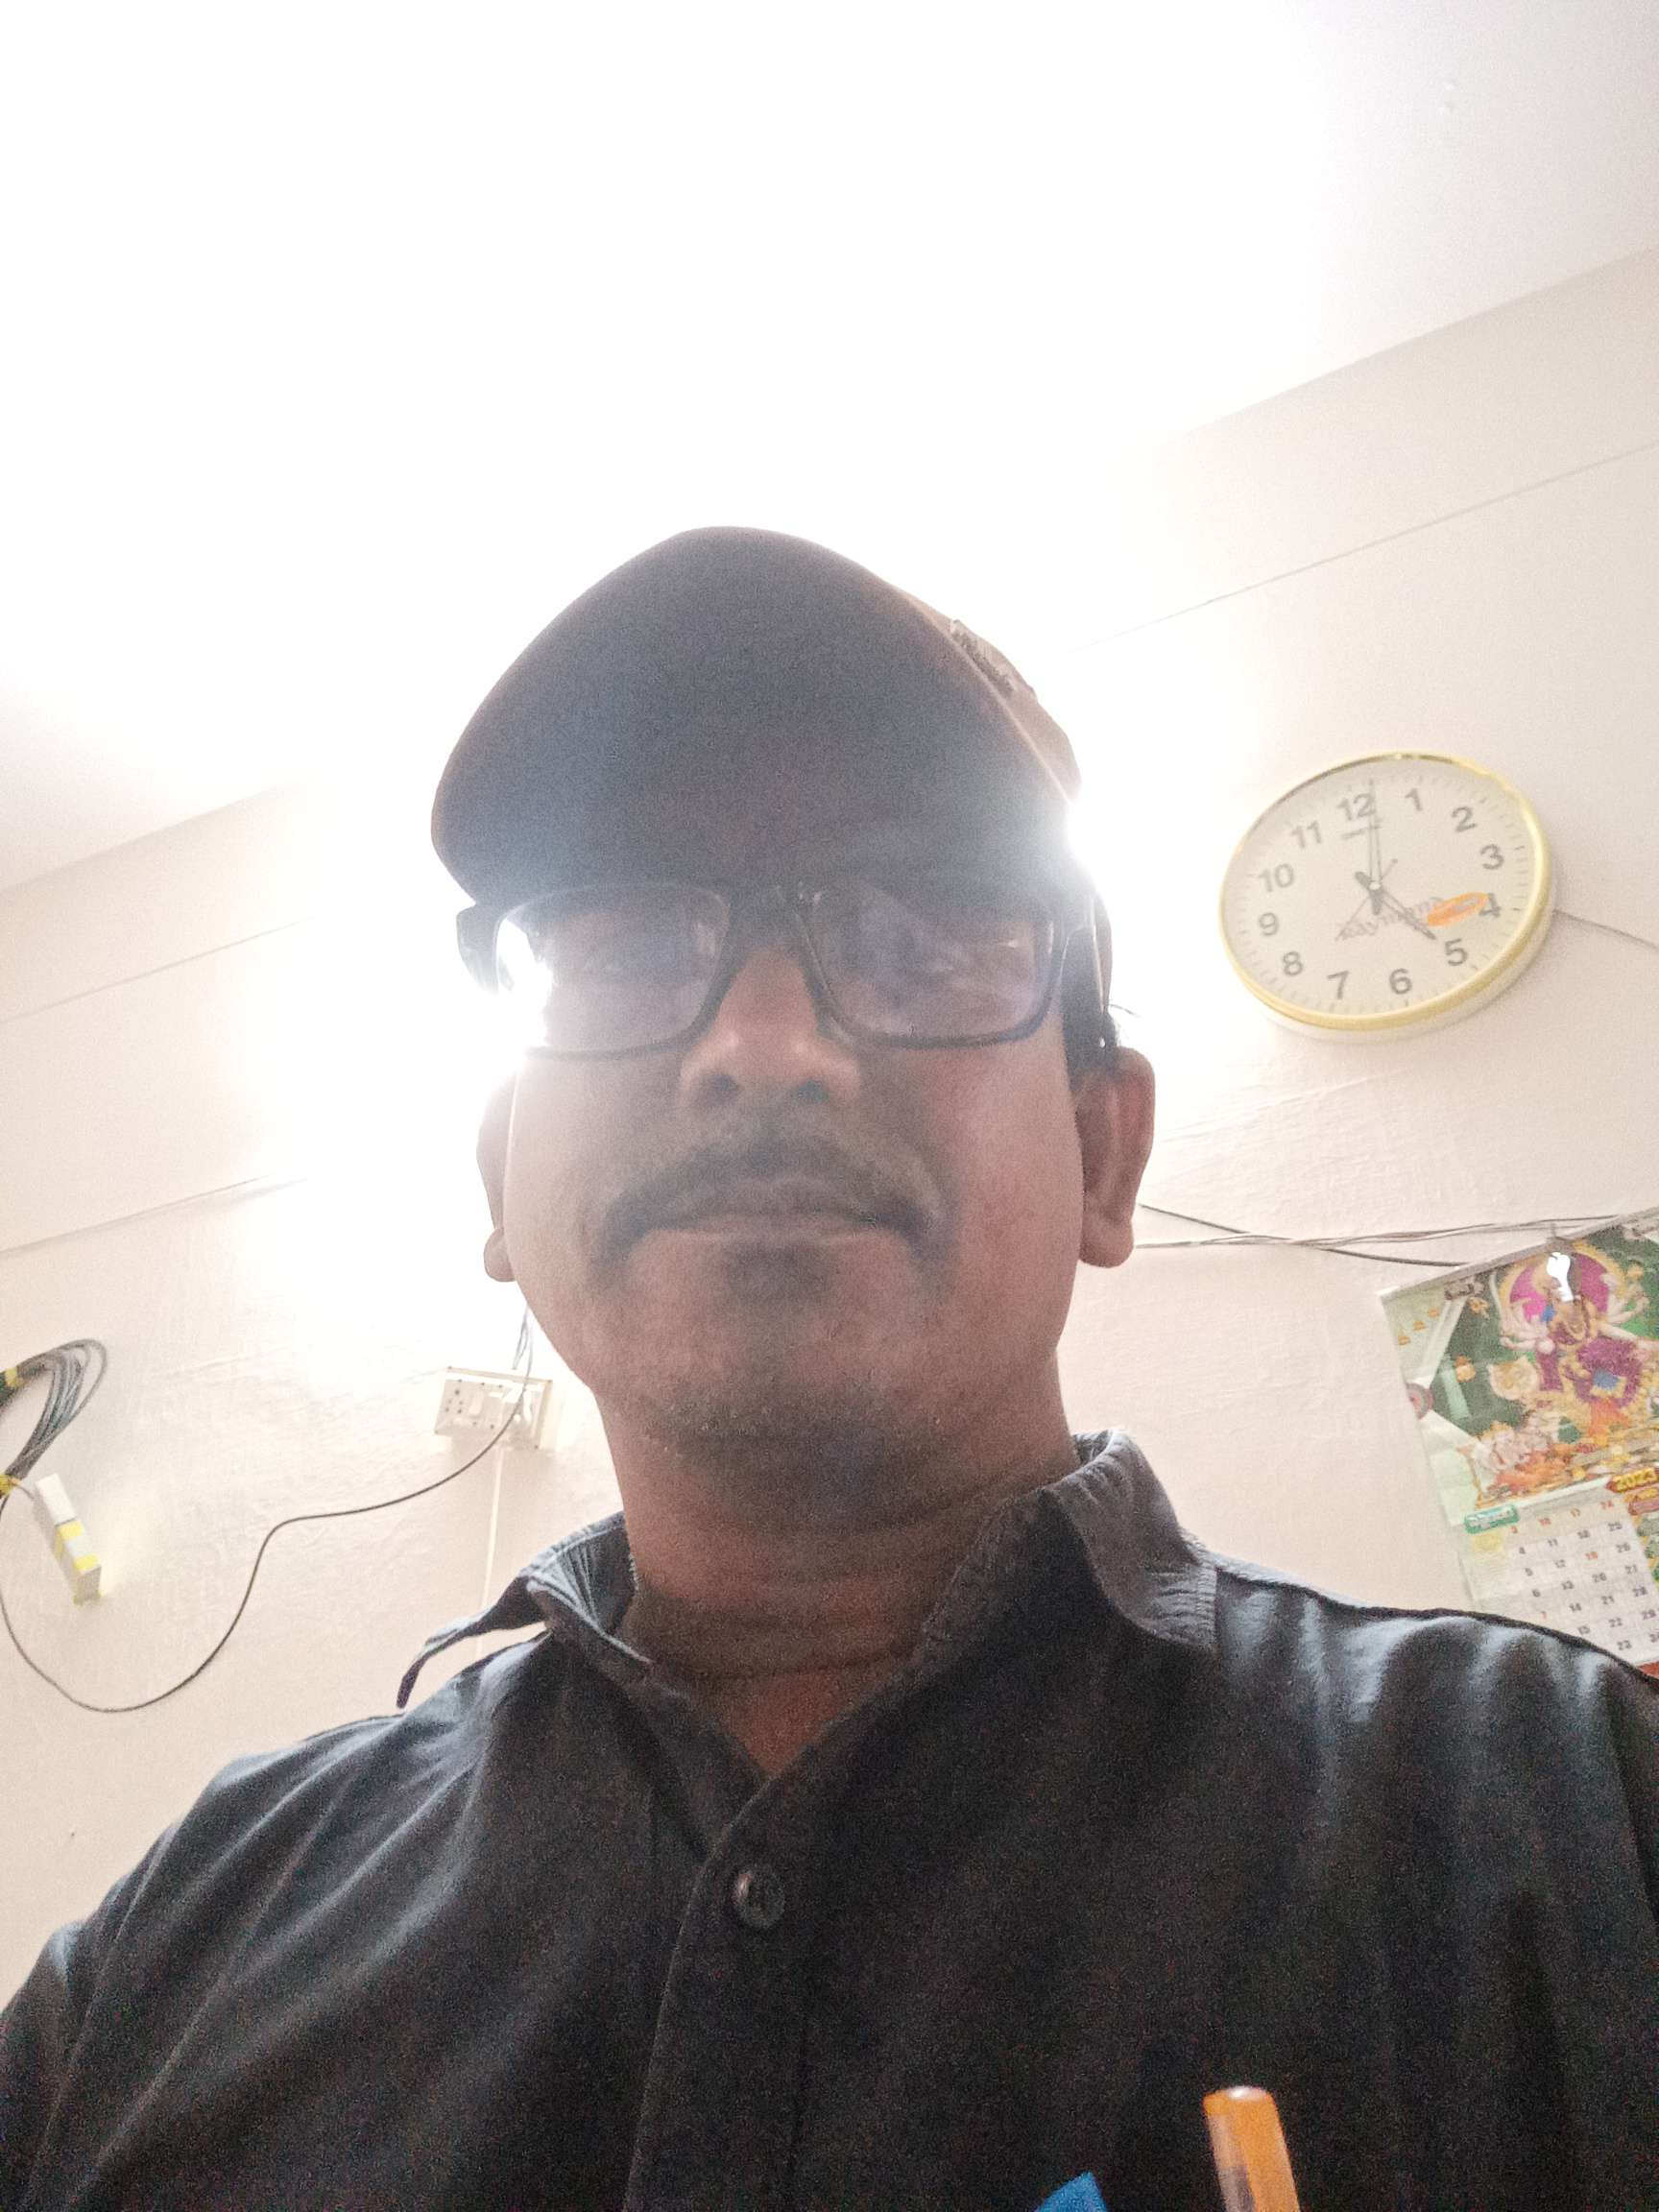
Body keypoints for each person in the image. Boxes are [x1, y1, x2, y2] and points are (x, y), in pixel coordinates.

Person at [3, 527, 1655, 2212]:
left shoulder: (1571, 1817)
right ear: (501, 1179)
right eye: (624, 938)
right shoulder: (181, 1946)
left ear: (1103, 1152)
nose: (763, 1046)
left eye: (921, 934)